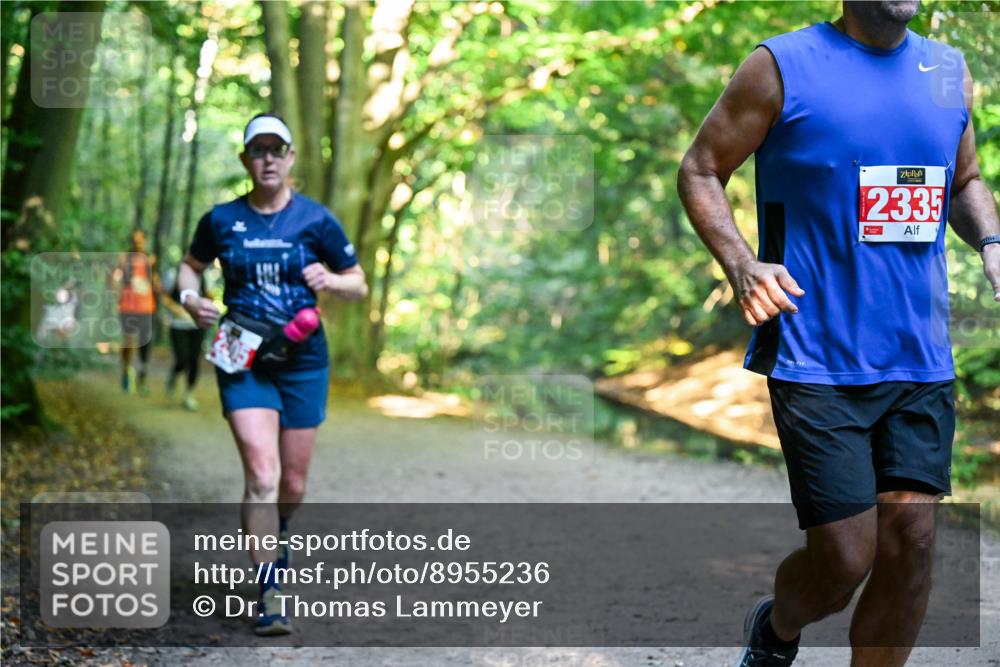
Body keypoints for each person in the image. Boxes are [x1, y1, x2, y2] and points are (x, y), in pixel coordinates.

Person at [677, 2, 1000, 666]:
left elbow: (961, 179)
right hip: (814, 353)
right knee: (846, 558)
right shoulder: (781, 66)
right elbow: (701, 167)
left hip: (920, 355)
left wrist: (993, 241)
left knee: (911, 539)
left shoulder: (947, 70)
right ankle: (777, 626)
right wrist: (741, 263)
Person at [176, 113, 367, 636]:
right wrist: (191, 299)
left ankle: (279, 532)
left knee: (294, 483)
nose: (267, 159)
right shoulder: (220, 219)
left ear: (290, 158)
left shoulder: (316, 220)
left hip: (304, 358)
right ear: (245, 159)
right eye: (257, 151)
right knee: (263, 475)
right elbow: (190, 266)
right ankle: (269, 588)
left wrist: (330, 278)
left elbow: (359, 283)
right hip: (241, 353)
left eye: (276, 150)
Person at [115, 229, 158, 395]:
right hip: (127, 306)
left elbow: (154, 282)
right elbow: (114, 278)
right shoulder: (124, 258)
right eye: (135, 240)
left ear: (145, 241)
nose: (137, 243)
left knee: (145, 342)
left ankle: (143, 378)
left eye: (140, 240)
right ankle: (126, 371)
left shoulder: (151, 259)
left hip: (147, 307)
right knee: (128, 341)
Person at [161, 267, 207, 411]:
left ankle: (189, 394)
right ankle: (174, 376)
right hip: (177, 325)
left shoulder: (205, 277)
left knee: (194, 360)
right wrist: (175, 308)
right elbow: (164, 296)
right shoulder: (174, 274)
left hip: (197, 325)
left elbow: (209, 296)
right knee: (182, 358)